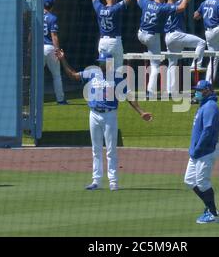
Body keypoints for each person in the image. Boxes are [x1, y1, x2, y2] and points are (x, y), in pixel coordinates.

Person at [56, 50, 153, 191]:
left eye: (104, 62)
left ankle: (113, 181)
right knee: (96, 149)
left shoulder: (117, 77)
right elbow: (73, 75)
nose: (101, 64)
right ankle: (96, 181)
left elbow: (129, 96)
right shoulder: (92, 73)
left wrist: (141, 112)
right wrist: (62, 59)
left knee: (111, 149)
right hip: (94, 114)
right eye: (100, 62)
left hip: (109, 115)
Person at [135, 0, 196, 98]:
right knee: (155, 65)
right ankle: (150, 92)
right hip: (153, 37)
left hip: (140, 34)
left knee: (156, 60)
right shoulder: (165, 7)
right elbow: (183, 6)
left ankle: (151, 91)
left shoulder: (147, 3)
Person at [184, 80, 219, 224]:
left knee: (202, 182)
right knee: (189, 180)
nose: (196, 92)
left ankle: (213, 214)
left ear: (207, 91)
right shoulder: (204, 105)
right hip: (196, 151)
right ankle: (210, 207)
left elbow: (208, 131)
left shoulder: (211, 106)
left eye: (199, 90)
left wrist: (198, 148)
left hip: (205, 150)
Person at [164, 0, 206, 96]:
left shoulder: (162, 7)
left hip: (168, 37)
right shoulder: (176, 5)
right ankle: (195, 64)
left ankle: (170, 91)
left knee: (172, 64)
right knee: (201, 42)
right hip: (177, 35)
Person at [91, 0, 137, 70]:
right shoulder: (116, 8)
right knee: (117, 71)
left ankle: (104, 85)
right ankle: (116, 85)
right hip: (114, 42)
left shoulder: (100, 8)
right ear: (115, 0)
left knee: (105, 70)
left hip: (102, 42)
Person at [43, 0, 67, 105]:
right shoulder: (52, 18)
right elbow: (54, 36)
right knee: (56, 75)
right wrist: (57, 50)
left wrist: (29, 47)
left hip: (39, 48)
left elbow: (31, 33)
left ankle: (33, 100)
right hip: (50, 47)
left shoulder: (37, 16)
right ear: (52, 5)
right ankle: (60, 100)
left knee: (36, 76)